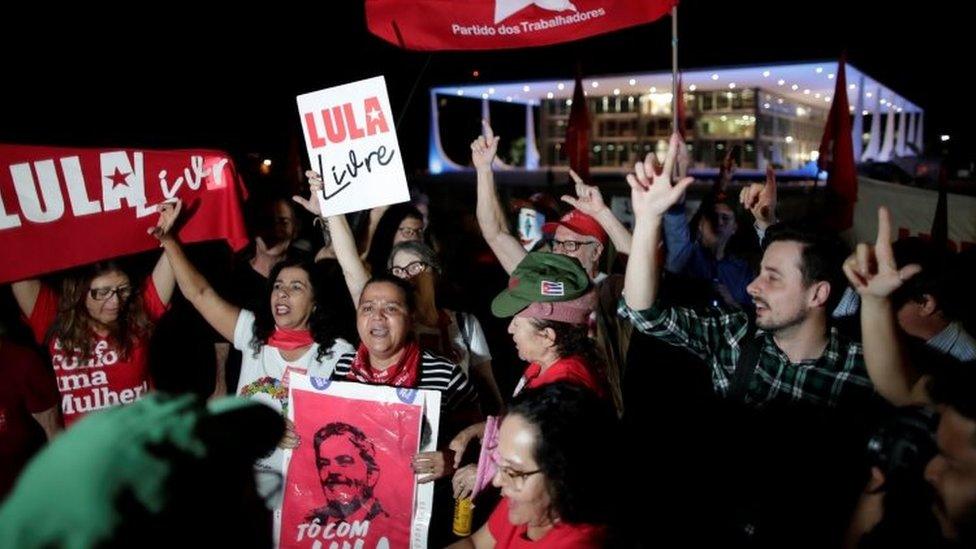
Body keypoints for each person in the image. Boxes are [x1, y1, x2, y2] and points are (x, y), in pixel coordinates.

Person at [619, 133, 877, 410]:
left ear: (818, 294)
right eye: (761, 272)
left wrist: (879, 301)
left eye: (772, 278)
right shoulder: (734, 337)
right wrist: (647, 218)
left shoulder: (863, 371)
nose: (753, 286)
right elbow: (644, 314)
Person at [153, 200, 354, 519]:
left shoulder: (338, 354)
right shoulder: (252, 333)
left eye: (296, 287)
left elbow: (354, 425)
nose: (283, 294)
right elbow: (200, 294)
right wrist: (169, 240)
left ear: (316, 302)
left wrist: (308, 430)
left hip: (304, 497)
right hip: (245, 491)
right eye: (278, 286)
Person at [472, 120, 631, 413]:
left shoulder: (612, 287)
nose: (559, 252)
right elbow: (495, 233)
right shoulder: (542, 280)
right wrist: (484, 170)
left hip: (601, 407)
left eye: (570, 245)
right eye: (557, 243)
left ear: (596, 250)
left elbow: (640, 266)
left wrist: (603, 214)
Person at [9, 201, 179, 426]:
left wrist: (169, 233)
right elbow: (16, 265)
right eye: (102, 292)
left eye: (122, 290)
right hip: (87, 453)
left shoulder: (138, 315)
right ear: (79, 292)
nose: (115, 301)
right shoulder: (54, 318)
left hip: (139, 445)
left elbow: (173, 261)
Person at [448, 383, 619, 548]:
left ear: (562, 475)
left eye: (512, 470)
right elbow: (476, 544)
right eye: (500, 461)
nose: (497, 481)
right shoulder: (528, 503)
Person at [306, 422, 387, 525]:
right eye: (324, 464)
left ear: (371, 473)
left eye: (344, 462)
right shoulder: (310, 522)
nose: (332, 471)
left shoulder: (387, 526)